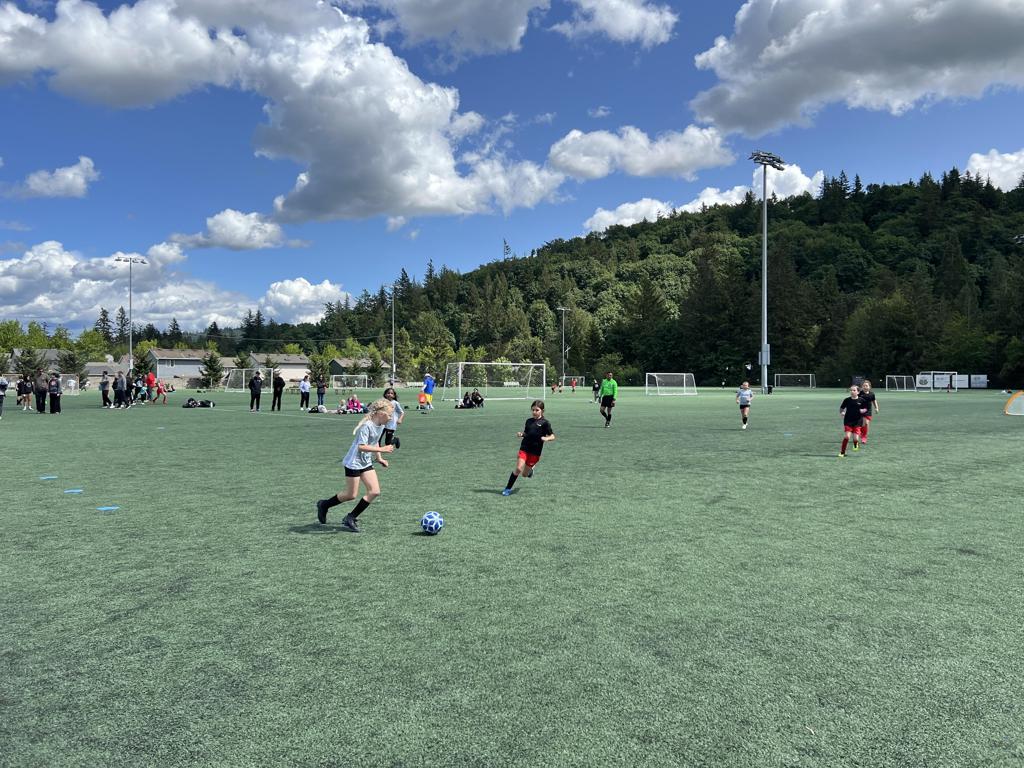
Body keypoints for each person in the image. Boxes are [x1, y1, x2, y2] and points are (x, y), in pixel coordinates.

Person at [316, 398, 395, 533]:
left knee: (375, 491)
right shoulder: (366, 426)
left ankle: (350, 517)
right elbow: (361, 447)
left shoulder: (381, 426)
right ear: (381, 414)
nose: (391, 418)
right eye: (389, 415)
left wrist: (379, 458)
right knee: (350, 495)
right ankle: (324, 505)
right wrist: (382, 449)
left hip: (365, 462)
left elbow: (375, 441)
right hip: (354, 463)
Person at [502, 399, 555, 496]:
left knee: (524, 474)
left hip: (535, 452)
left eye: (537, 410)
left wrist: (546, 438)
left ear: (542, 411)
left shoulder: (545, 423)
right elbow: (527, 433)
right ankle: (508, 488)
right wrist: (521, 434)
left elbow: (552, 436)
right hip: (525, 448)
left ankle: (530, 470)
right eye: (533, 410)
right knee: (518, 468)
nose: (534, 412)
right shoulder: (528, 421)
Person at [838, 385, 867, 458]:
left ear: (858, 392)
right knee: (847, 437)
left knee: (855, 439)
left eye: (854, 390)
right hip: (848, 421)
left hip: (858, 421)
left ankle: (855, 444)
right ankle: (842, 452)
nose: (852, 391)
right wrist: (842, 412)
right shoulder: (847, 400)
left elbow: (866, 409)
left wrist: (863, 410)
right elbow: (841, 408)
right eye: (851, 390)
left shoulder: (862, 400)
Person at [859, 379, 879, 445]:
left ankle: (864, 436)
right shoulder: (859, 393)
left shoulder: (872, 394)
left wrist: (876, 408)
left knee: (866, 423)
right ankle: (861, 434)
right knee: (862, 424)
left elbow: (874, 401)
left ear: (869, 387)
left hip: (868, 411)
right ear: (862, 387)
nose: (865, 387)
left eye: (866, 386)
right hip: (860, 410)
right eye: (864, 386)